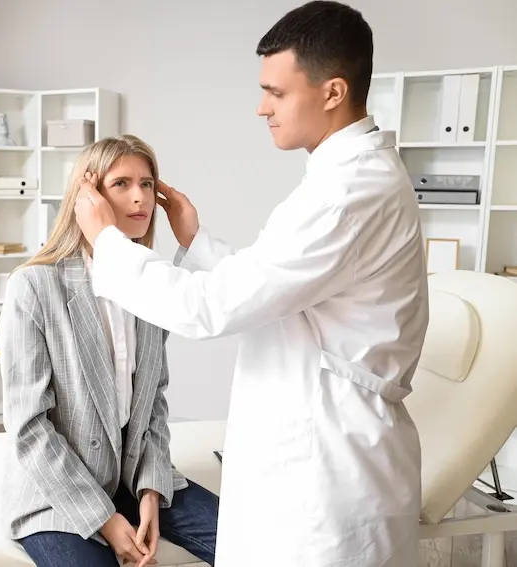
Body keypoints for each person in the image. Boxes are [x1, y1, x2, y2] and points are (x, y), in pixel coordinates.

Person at [73, 2, 429, 566]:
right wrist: (196, 242)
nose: (261, 107)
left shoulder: (348, 195)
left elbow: (211, 308)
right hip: (312, 449)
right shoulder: (342, 181)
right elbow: (279, 287)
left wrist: (108, 243)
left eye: (276, 92)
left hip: (329, 469)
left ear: (333, 91)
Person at [0, 134, 219, 567]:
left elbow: (152, 401)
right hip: (57, 489)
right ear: (88, 196)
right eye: (121, 184)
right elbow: (29, 427)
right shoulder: (35, 286)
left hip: (132, 476)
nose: (140, 198)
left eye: (148, 184)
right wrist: (105, 519)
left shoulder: (150, 283)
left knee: (253, 542)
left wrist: (152, 491)